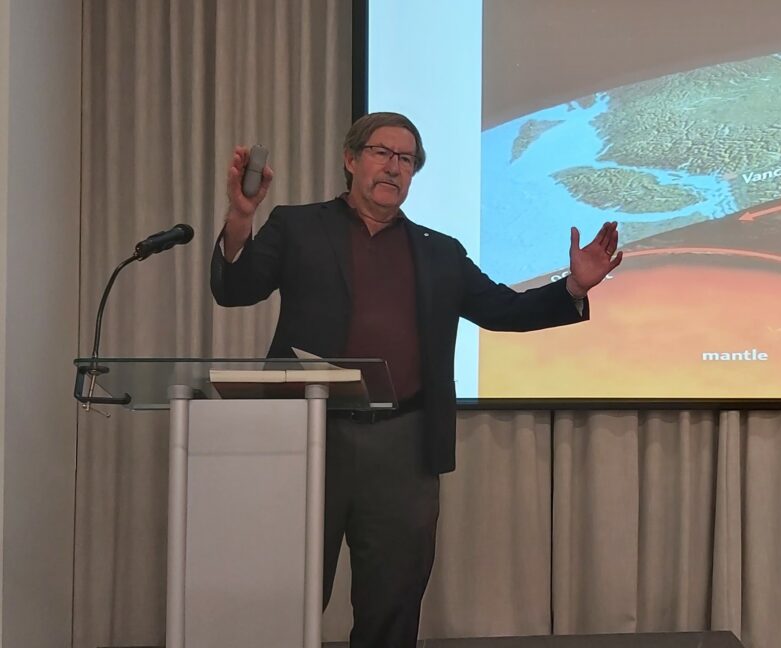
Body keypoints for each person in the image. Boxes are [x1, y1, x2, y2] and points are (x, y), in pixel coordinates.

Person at [210, 112, 622, 647]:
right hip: (307, 437)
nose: (394, 167)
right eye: (383, 153)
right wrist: (240, 218)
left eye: (406, 160)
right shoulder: (298, 226)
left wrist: (572, 286)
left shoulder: (438, 251)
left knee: (393, 604)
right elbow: (235, 289)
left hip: (403, 445)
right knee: (287, 594)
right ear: (351, 159)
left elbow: (503, 310)